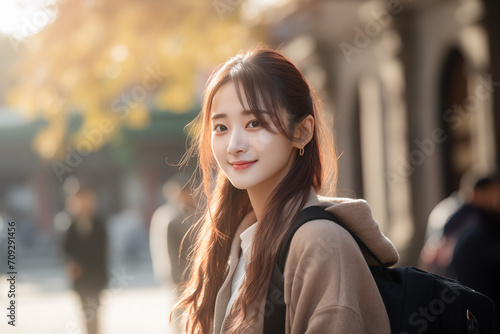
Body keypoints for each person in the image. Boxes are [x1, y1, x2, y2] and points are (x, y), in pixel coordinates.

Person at [171, 47, 399, 334]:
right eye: (221, 127)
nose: (234, 145)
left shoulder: (321, 245)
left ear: (302, 131)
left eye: (254, 123)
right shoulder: (239, 239)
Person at [448, 175, 500, 327]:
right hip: (477, 303)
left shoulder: (464, 216)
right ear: (479, 193)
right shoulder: (473, 222)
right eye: (495, 191)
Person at [63, 187, 108, 334]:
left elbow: (102, 251)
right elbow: (65, 250)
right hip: (80, 279)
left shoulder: (99, 223)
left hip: (97, 277)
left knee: (94, 313)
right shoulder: (69, 224)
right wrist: (71, 264)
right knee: (86, 313)